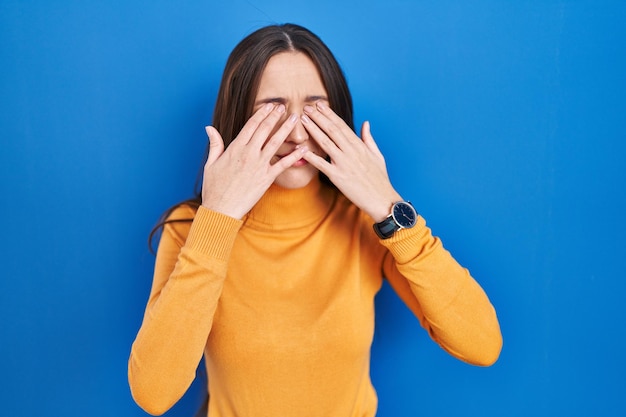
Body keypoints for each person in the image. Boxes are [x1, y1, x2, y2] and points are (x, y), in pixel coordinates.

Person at [128, 23, 502, 417]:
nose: (296, 132)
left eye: (314, 109)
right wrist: (217, 219)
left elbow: (482, 344)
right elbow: (153, 393)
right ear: (239, 119)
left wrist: (388, 207)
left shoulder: (365, 222)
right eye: (272, 110)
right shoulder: (193, 229)